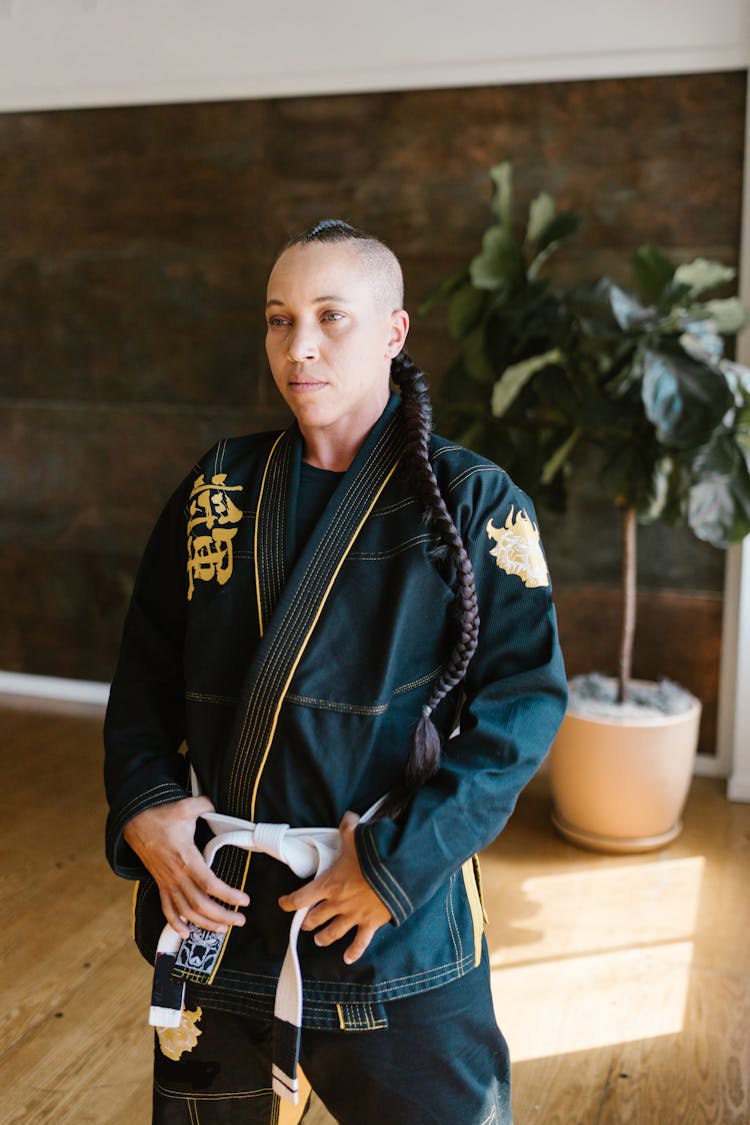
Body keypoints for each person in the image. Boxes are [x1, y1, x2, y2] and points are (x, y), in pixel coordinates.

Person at [104, 219, 568, 1124]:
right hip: (220, 908)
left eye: (330, 316)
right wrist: (144, 802)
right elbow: (144, 666)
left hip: (386, 917)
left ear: (394, 332)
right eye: (278, 319)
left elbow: (525, 705)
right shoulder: (221, 485)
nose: (298, 345)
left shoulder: (470, 500)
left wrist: (394, 869)